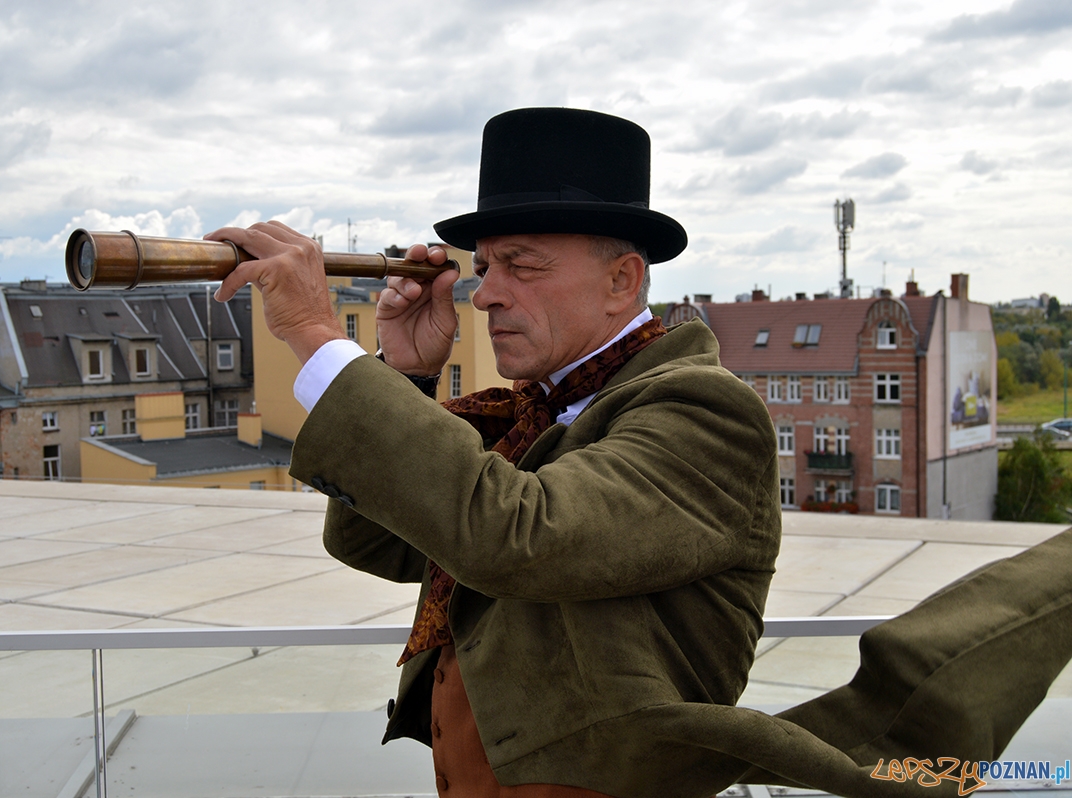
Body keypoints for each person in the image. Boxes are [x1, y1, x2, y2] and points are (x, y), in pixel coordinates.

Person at [210, 109, 1072, 798]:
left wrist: (319, 337)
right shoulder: (534, 412)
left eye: (521, 266)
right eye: (483, 267)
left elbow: (515, 536)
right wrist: (400, 371)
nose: (486, 295)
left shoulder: (701, 412)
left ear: (624, 281)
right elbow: (372, 541)